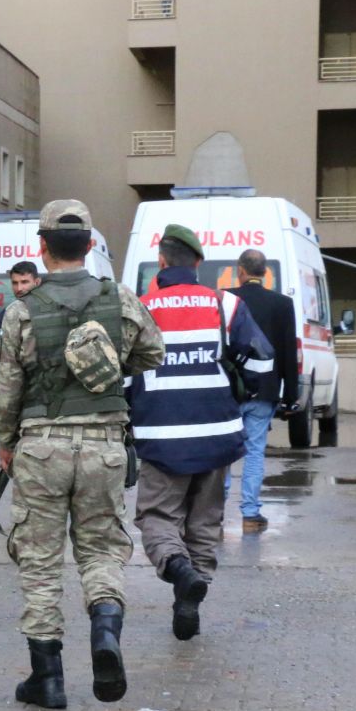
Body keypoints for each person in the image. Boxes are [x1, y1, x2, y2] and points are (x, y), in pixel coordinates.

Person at [0, 201, 165, 708]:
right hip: (105, 446)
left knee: (40, 562)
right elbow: (154, 350)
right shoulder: (121, 299)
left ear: (41, 249)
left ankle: (47, 679)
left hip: (41, 447)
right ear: (89, 246)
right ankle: (105, 633)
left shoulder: (22, 309)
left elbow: (6, 388)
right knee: (100, 550)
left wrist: (5, 439)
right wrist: (106, 364)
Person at [130, 223, 271, 643]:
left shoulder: (141, 308)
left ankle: (177, 569)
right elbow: (263, 363)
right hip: (216, 434)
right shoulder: (225, 305)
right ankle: (191, 594)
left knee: (158, 516)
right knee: (205, 521)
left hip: (160, 435)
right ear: (198, 263)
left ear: (161, 261)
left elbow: (119, 378)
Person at [224, 249, 300, 533]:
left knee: (225, 454)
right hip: (265, 390)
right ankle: (250, 513)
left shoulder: (226, 299)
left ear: (240, 271)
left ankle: (216, 511)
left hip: (230, 389)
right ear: (265, 272)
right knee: (255, 451)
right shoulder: (282, 303)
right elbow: (288, 352)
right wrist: (291, 395)